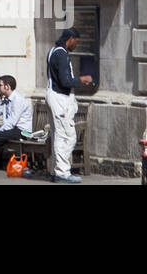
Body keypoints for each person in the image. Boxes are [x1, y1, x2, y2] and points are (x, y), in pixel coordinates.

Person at [46, 27, 93, 183]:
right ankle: (62, 172)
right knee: (67, 137)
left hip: (54, 96)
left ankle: (56, 170)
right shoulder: (61, 54)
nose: (76, 45)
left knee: (58, 136)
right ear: (70, 39)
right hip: (60, 99)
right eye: (76, 42)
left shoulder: (53, 51)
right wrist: (82, 79)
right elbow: (65, 81)